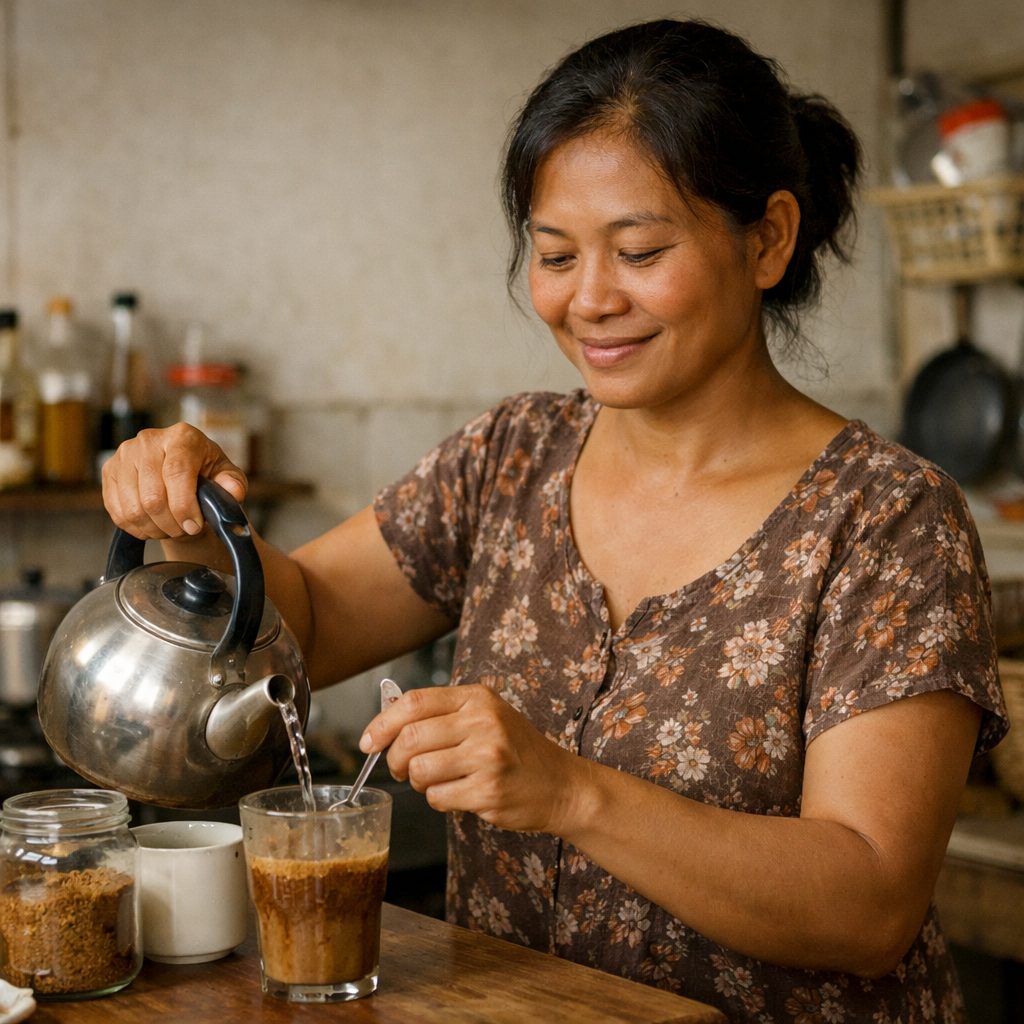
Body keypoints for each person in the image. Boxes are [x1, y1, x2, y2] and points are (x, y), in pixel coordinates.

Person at [102, 18, 1008, 1024]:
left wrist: (568, 791)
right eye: (554, 253)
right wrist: (191, 514)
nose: (589, 300)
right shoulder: (512, 457)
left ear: (769, 238)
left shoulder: (887, 520)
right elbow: (300, 620)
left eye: (639, 250)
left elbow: (869, 899)